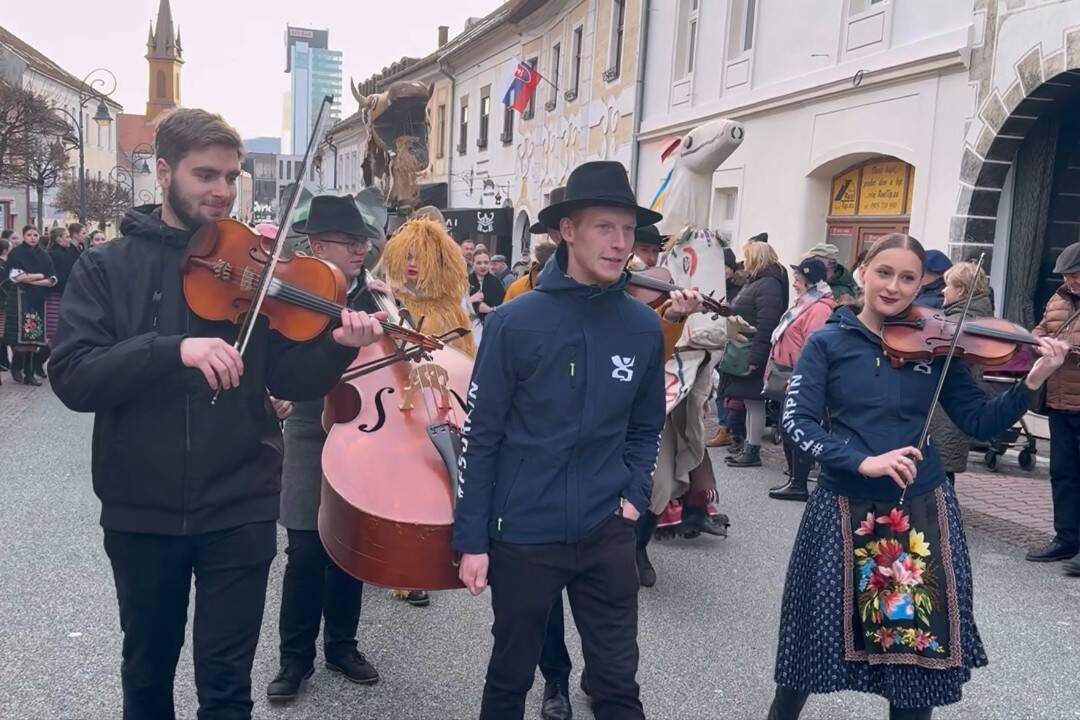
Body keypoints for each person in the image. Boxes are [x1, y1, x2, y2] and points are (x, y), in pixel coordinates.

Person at [49, 108, 386, 720]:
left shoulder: (254, 268)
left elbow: (287, 376)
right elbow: (73, 375)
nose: (222, 191)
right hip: (140, 507)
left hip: (241, 502)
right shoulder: (108, 267)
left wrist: (336, 348)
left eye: (231, 176)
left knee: (228, 688)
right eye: (206, 175)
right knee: (147, 676)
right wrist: (171, 348)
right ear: (162, 172)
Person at [767, 233, 1068, 720]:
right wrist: (861, 460)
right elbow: (796, 423)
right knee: (810, 643)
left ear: (920, 283)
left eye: (908, 277)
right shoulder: (828, 341)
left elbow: (980, 423)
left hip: (918, 512)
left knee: (916, 659)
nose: (893, 286)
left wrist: (1034, 380)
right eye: (884, 272)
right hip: (843, 506)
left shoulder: (938, 346)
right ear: (863, 271)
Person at [454, 160, 667, 720]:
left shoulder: (643, 327)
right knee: (509, 679)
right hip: (524, 533)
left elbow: (647, 427)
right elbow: (480, 437)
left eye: (628, 230)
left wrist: (633, 496)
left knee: (619, 686)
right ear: (566, 229)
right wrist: (471, 539)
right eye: (605, 227)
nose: (621, 244)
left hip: (607, 531)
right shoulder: (513, 322)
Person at [268, 195, 386, 702]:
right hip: (307, 429)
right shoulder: (292, 294)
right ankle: (294, 658)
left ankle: (342, 644)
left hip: (361, 429)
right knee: (304, 548)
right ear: (316, 245)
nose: (360, 249)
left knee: (349, 548)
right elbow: (271, 356)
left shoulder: (377, 297)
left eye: (363, 241)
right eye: (348, 241)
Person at [1029, 240, 1080, 571]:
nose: (1070, 283)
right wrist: (1036, 340)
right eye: (1067, 277)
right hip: (1060, 400)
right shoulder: (1058, 298)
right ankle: (1066, 538)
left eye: (1076, 276)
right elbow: (1042, 328)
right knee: (1062, 474)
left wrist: (1070, 350)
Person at [766, 257, 835, 501]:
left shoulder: (818, 309)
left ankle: (799, 482)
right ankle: (795, 479)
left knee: (794, 428)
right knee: (788, 427)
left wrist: (798, 377)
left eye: (798, 279)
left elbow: (812, 347)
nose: (794, 283)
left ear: (809, 281)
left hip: (801, 377)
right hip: (789, 373)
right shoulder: (806, 304)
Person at [721, 240, 789, 468]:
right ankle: (749, 447)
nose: (743, 262)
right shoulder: (758, 282)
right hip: (745, 350)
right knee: (750, 403)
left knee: (754, 403)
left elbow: (766, 324)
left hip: (752, 351)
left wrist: (755, 358)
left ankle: (753, 450)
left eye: (747, 257)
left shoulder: (768, 284)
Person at [928, 262, 994, 486]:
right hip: (950, 404)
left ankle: (942, 519)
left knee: (939, 470)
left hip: (948, 404)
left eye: (948, 285)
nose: (942, 290)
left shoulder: (961, 322)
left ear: (962, 291)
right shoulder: (962, 317)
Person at [3, 225, 56, 386]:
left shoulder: (44, 255)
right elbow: (16, 277)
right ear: (24, 236)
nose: (33, 238)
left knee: (34, 338)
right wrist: (39, 277)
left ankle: (29, 373)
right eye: (29, 235)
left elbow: (52, 278)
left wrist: (33, 279)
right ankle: (16, 367)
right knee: (21, 338)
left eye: (35, 235)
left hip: (37, 298)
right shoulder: (16, 253)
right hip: (20, 297)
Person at [707, 246, 745, 448]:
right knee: (721, 386)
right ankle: (725, 427)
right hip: (716, 338)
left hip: (732, 342)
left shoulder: (739, 288)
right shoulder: (715, 284)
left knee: (728, 387)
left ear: (731, 268)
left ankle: (729, 429)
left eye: (724, 267)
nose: (721, 271)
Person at [45, 226, 81, 377]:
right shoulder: (53, 254)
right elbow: (56, 276)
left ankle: (54, 362)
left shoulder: (70, 252)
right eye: (66, 236)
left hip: (68, 294)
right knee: (54, 332)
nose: (68, 239)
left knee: (63, 331)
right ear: (59, 238)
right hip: (56, 295)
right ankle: (40, 361)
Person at [468, 248, 505, 333]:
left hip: (490, 328)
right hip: (468, 329)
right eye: (479, 263)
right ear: (473, 264)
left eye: (486, 262)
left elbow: (501, 306)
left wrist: (489, 309)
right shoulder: (465, 282)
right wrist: (471, 300)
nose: (483, 266)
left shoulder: (496, 283)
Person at [0, 234, 11, 374]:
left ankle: (4, 361)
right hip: (2, 303)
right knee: (1, 333)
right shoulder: (3, 266)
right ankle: (3, 361)